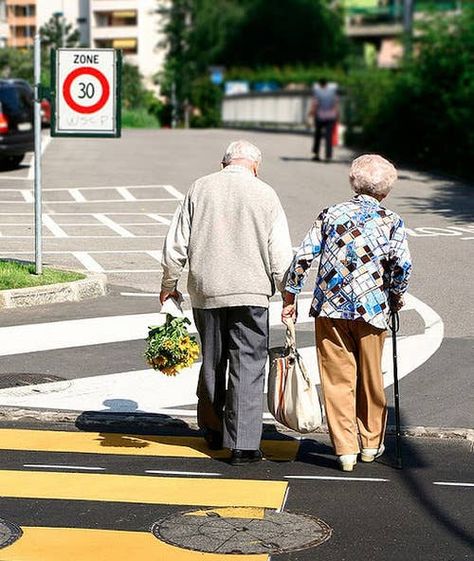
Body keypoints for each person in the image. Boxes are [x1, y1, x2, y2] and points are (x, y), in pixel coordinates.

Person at [160, 140, 293, 465]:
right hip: (252, 294)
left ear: (224, 163)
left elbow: (176, 243)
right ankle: (245, 445)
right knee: (249, 364)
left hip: (207, 292)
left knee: (212, 360)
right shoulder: (266, 194)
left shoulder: (199, 188)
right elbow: (281, 254)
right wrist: (288, 294)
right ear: (255, 166)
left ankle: (213, 429)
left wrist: (168, 284)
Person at [282, 154, 412, 472]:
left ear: (354, 181)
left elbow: (303, 256)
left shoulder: (330, 214)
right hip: (372, 309)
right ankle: (370, 443)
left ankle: (345, 450)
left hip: (330, 307)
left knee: (337, 380)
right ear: (386, 190)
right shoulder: (391, 221)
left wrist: (291, 293)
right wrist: (395, 296)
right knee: (370, 377)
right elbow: (402, 265)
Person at [309, 79, 339, 162]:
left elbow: (315, 104)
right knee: (328, 136)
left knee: (318, 135)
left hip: (320, 116)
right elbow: (336, 103)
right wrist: (337, 115)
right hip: (331, 116)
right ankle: (328, 156)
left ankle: (316, 154)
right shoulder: (332, 91)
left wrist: (311, 113)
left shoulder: (317, 91)